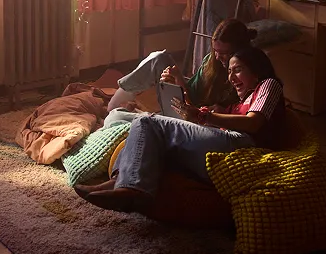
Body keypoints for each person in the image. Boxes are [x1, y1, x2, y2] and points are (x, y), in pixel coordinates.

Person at [75, 46, 294, 213]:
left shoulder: (268, 85)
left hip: (243, 144)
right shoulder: (237, 104)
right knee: (145, 130)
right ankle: (119, 181)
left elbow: (253, 123)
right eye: (229, 72)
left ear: (256, 70)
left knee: (147, 122)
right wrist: (187, 100)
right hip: (226, 141)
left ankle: (132, 189)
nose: (231, 78)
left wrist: (204, 116)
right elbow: (201, 120)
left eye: (237, 70)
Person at [104, 18, 257, 128]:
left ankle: (129, 115)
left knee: (117, 117)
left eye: (224, 53)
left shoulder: (245, 77)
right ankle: (114, 103)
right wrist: (176, 80)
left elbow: (197, 111)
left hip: (195, 120)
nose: (217, 57)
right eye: (215, 51)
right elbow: (190, 95)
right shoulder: (211, 62)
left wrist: (212, 113)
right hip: (187, 107)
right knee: (158, 58)